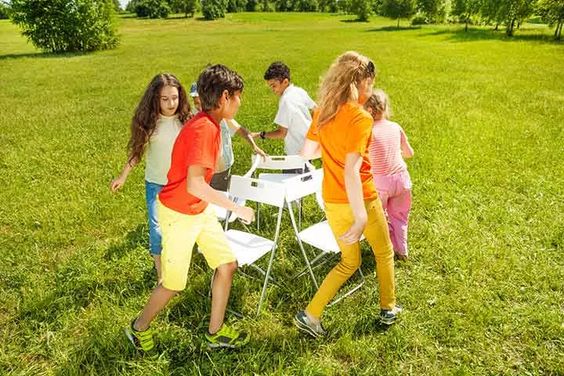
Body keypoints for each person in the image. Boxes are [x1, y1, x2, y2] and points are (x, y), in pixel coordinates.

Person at [124, 65, 255, 354]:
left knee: (227, 265)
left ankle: (215, 332)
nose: (240, 102)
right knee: (173, 284)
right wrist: (237, 208)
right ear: (224, 97)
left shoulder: (209, 123)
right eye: (238, 97)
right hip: (179, 214)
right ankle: (138, 328)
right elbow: (195, 184)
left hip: (199, 210)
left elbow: (203, 175)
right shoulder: (203, 129)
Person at [296, 51, 402, 338]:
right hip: (362, 200)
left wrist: (331, 147)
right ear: (361, 81)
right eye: (370, 82)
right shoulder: (360, 118)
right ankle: (388, 308)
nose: (371, 89)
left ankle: (311, 314)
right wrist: (359, 217)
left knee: (349, 262)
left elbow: (307, 153)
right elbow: (352, 171)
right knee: (383, 252)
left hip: (331, 201)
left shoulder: (323, 112)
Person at [110, 73, 191, 282]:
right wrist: (123, 176)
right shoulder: (150, 123)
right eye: (165, 99)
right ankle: (161, 274)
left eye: (175, 97)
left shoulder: (187, 121)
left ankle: (180, 263)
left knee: (179, 228)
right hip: (155, 184)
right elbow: (137, 153)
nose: (171, 103)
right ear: (155, 98)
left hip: (180, 184)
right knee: (157, 230)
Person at [364, 90, 414, 260]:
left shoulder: (368, 131)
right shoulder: (395, 127)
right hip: (402, 179)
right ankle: (403, 250)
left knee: (379, 218)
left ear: (369, 110)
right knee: (400, 216)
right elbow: (409, 153)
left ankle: (386, 249)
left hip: (380, 183)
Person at [190, 82, 267, 191]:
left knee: (219, 197)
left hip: (222, 168)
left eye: (202, 102)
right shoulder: (192, 116)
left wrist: (254, 146)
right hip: (203, 169)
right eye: (196, 103)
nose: (200, 107)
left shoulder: (220, 112)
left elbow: (240, 129)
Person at [252, 62, 315, 170]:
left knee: (294, 183)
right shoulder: (299, 91)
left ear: (285, 82)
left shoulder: (286, 101)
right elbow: (316, 110)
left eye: (274, 86)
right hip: (308, 148)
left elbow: (281, 133)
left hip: (295, 155)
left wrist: (260, 134)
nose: (272, 90)